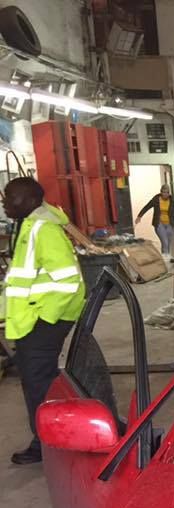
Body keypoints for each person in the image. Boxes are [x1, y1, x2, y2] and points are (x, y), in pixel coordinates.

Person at [3, 177, 86, 464]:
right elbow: (23, 280)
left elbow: (69, 281)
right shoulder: (29, 226)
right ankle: (51, 437)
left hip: (42, 322)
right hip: (30, 321)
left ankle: (47, 444)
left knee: (39, 384)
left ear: (29, 200)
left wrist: (44, 319)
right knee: (38, 381)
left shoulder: (42, 229)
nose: (4, 202)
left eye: (9, 197)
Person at [135, 184, 174, 259]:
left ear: (169, 193)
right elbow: (147, 207)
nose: (165, 194)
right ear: (161, 192)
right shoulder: (156, 200)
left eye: (167, 192)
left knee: (167, 244)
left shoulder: (172, 201)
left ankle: (165, 259)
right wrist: (139, 216)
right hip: (159, 223)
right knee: (165, 242)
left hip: (170, 224)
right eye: (163, 192)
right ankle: (166, 260)